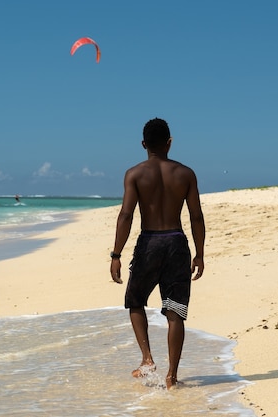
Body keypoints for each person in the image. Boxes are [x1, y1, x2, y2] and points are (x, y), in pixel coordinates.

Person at [109, 117, 205, 389]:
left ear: (143, 144)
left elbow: (126, 215)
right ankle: (172, 376)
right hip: (176, 242)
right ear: (169, 143)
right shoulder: (186, 174)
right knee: (176, 311)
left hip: (149, 241)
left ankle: (147, 359)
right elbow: (196, 217)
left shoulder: (135, 174)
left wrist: (116, 254)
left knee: (136, 301)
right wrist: (199, 253)